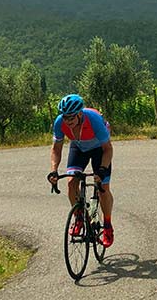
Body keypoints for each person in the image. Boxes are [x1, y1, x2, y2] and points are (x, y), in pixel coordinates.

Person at [47, 94, 115, 247]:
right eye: (65, 117)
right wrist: (54, 171)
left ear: (79, 113)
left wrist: (102, 169)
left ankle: (108, 226)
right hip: (78, 147)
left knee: (103, 187)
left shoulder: (94, 120)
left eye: (71, 118)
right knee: (71, 182)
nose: (68, 121)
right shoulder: (60, 123)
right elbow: (56, 149)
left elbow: (108, 149)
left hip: (99, 149)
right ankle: (79, 217)